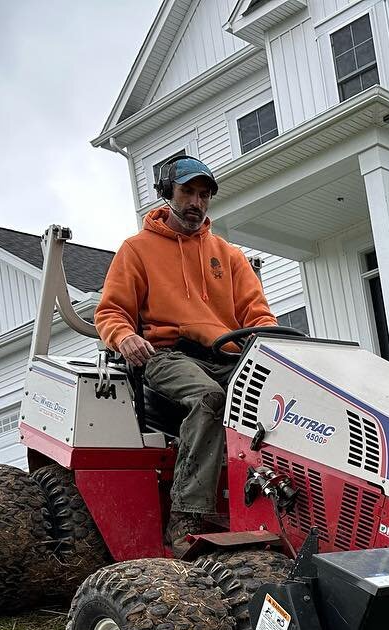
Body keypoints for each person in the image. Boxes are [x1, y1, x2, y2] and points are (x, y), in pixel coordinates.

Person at [95, 155, 278, 549]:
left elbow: (258, 316)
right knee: (210, 400)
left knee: (286, 401)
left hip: (228, 357)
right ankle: (187, 514)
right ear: (168, 194)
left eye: (204, 195)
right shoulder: (137, 250)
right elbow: (110, 312)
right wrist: (124, 337)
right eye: (188, 192)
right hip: (167, 356)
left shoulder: (228, 255)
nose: (196, 202)